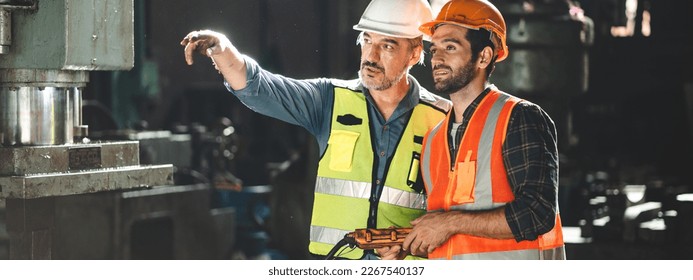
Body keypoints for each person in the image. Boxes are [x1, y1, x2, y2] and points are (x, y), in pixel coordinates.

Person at [180, 0, 451, 260]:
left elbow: (460, 208)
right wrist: (223, 50)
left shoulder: (444, 118)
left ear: (414, 54)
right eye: (367, 41)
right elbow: (261, 88)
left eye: (387, 46)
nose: (371, 56)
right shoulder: (330, 100)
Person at [378, 0, 565, 260]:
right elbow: (450, 237)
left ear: (484, 56)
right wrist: (409, 245)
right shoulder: (434, 140)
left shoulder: (519, 117)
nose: (437, 58)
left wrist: (448, 223)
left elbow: (536, 213)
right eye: (435, 49)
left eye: (451, 47)